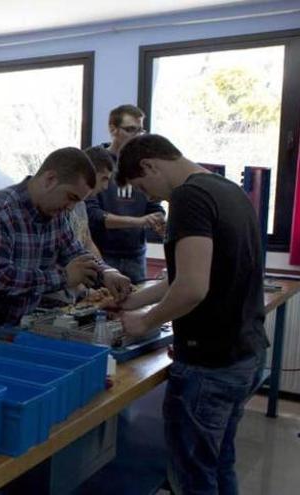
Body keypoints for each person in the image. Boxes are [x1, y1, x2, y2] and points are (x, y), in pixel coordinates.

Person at [113, 134, 267, 494]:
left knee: (192, 477)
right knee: (218, 463)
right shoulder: (226, 190)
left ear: (151, 164)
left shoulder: (188, 197)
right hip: (244, 353)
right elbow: (183, 279)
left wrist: (144, 323)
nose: (149, 197)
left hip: (209, 364)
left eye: (142, 185)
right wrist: (130, 303)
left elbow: (193, 288)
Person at [0, 147, 132, 342]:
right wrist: (64, 277)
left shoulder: (57, 214)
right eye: (71, 197)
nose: (71, 207)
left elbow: (75, 252)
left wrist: (107, 273)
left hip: (13, 327)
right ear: (50, 179)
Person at [86, 104, 165, 283]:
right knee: (99, 304)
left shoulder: (144, 165)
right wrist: (140, 221)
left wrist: (157, 219)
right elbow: (93, 216)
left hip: (135, 255)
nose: (136, 136)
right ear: (113, 129)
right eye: (130, 130)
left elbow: (154, 205)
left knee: (136, 305)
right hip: (102, 254)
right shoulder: (96, 162)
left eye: (140, 131)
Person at [69, 146, 117, 259]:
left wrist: (106, 270)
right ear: (90, 173)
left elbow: (87, 242)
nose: (105, 187)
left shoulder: (81, 204)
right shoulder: (63, 206)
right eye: (104, 179)